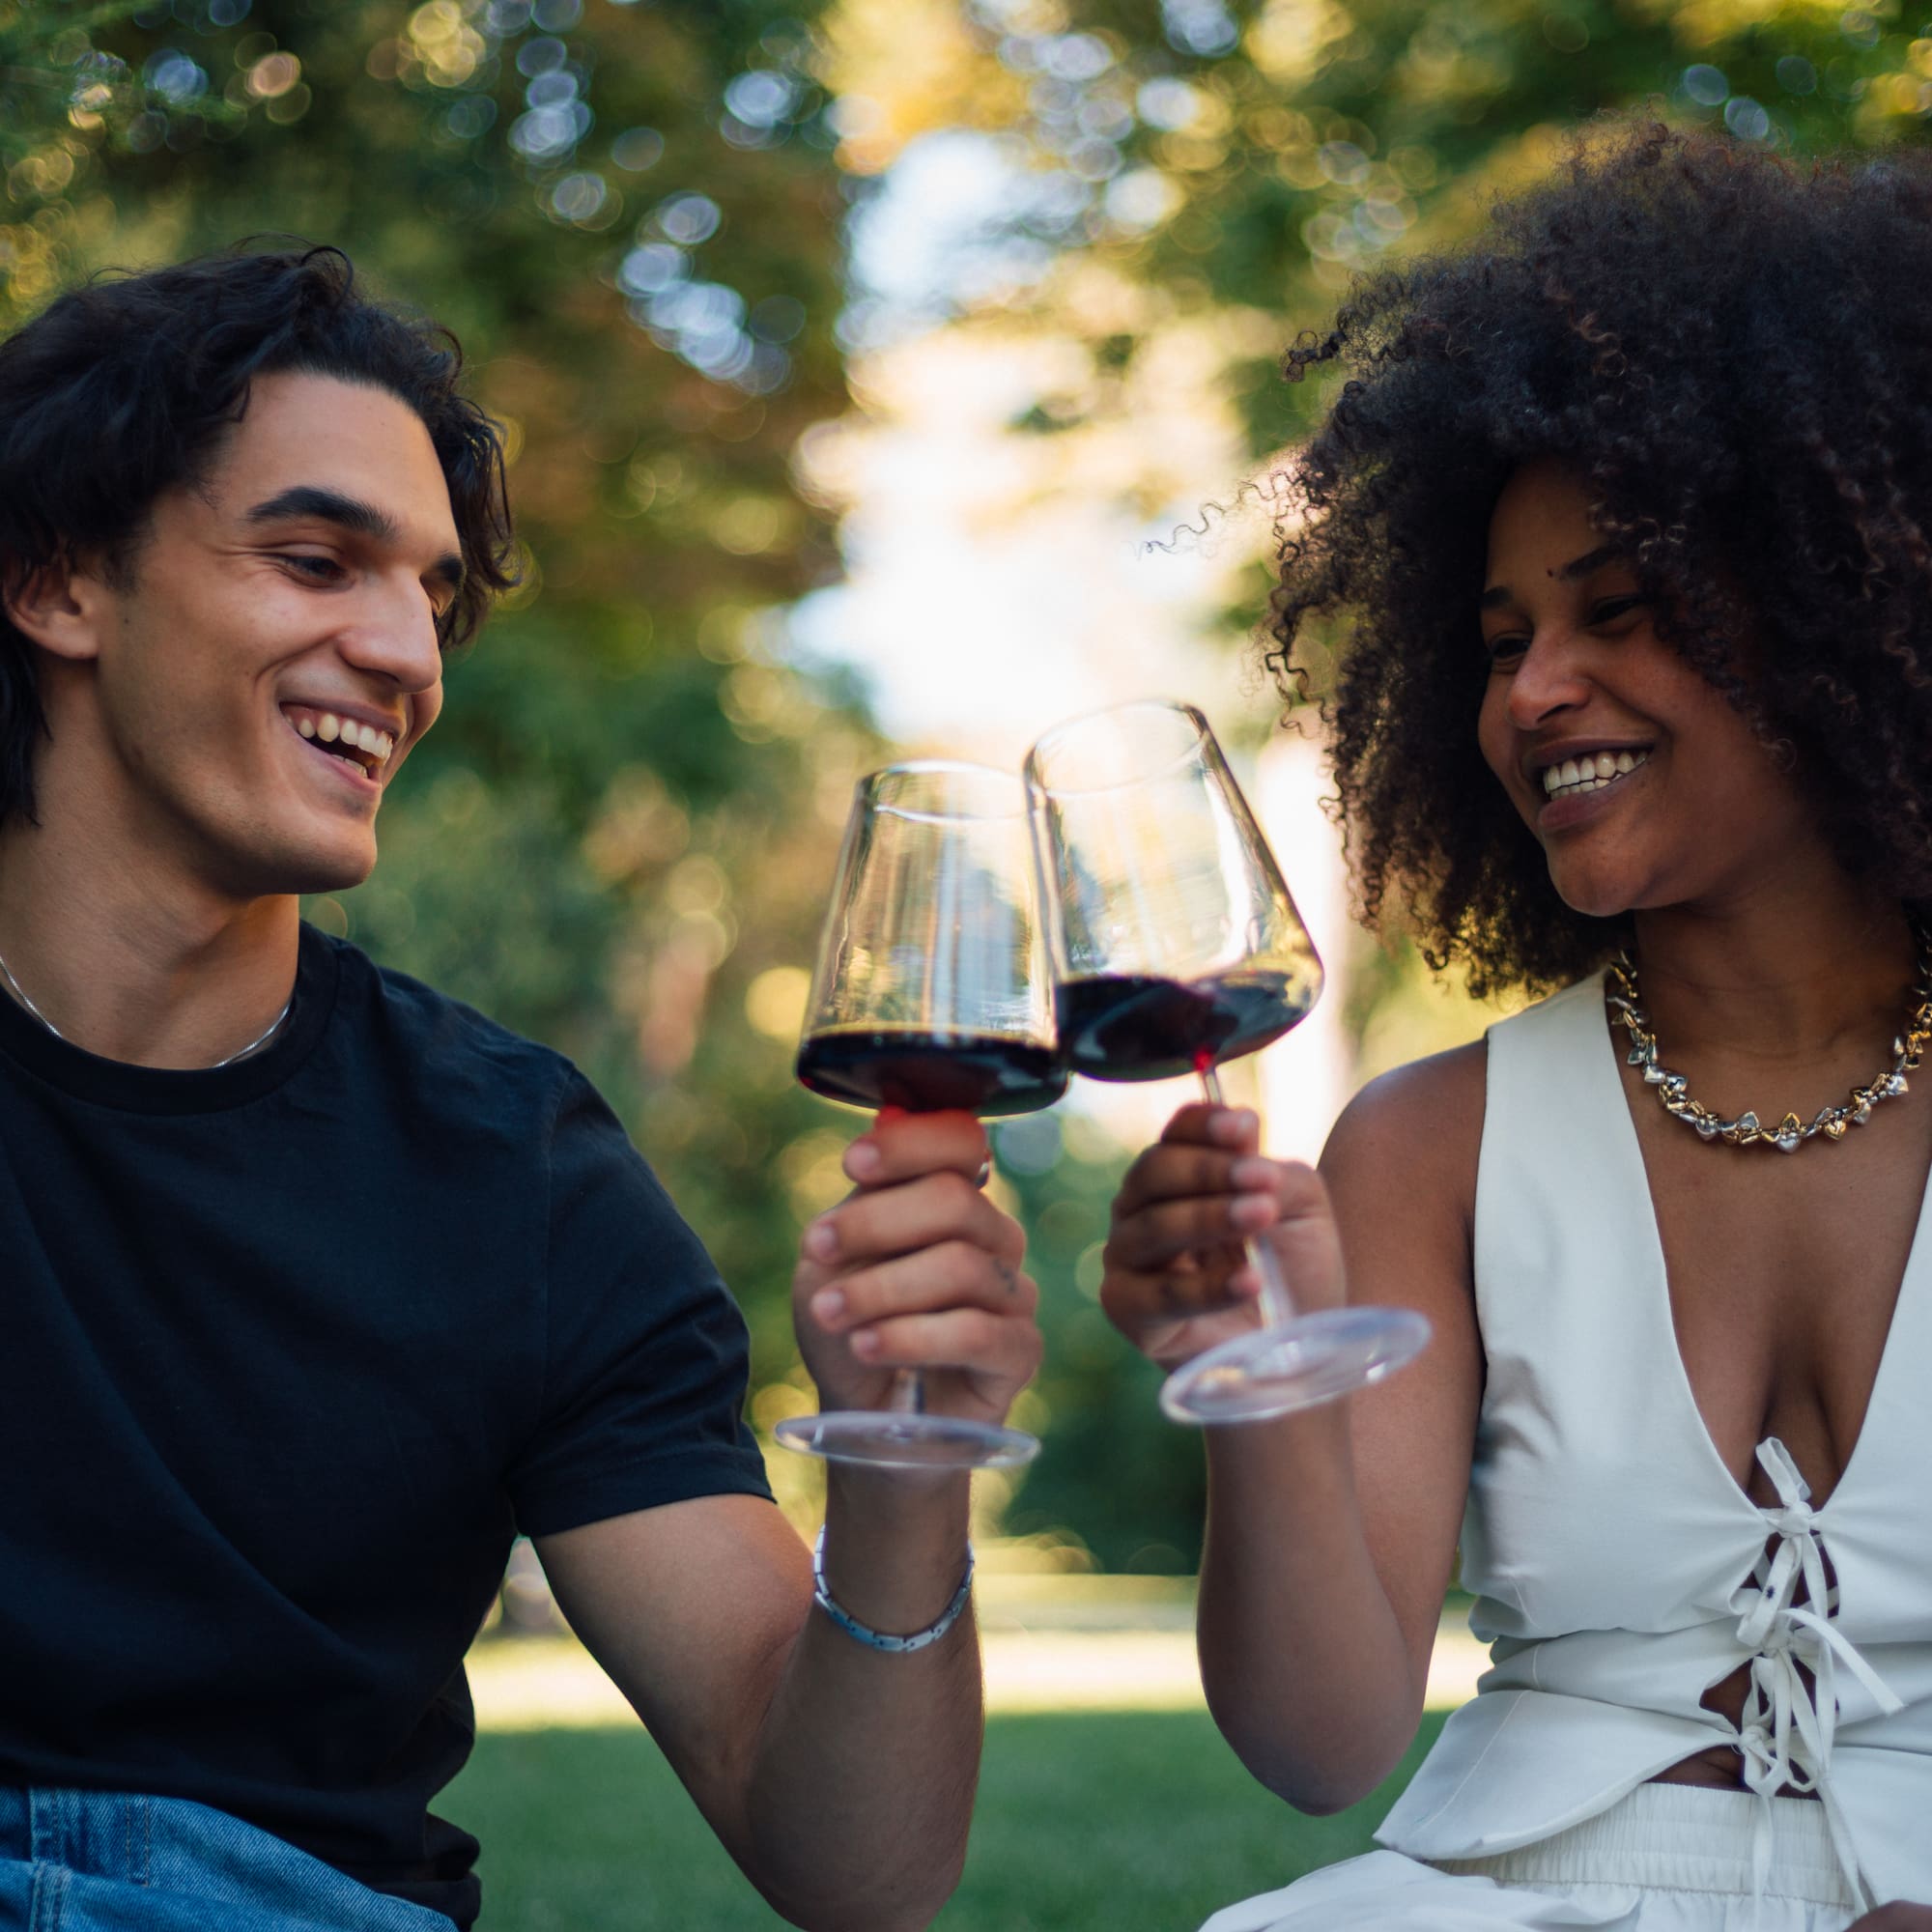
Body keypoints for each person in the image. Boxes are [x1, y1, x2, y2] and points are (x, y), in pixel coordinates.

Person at [0, 245, 1040, 1931]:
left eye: (431, 595)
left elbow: (855, 1867)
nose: (407, 649)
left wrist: (904, 1467)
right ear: (58, 580)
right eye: (319, 558)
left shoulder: (514, 1168)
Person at [1099, 125, 1932, 1931]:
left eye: (1618, 611)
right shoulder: (1425, 1147)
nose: (1537, 691)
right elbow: (1320, 1744)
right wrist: (1255, 1379)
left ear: (1851, 609)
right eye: (1494, 641)